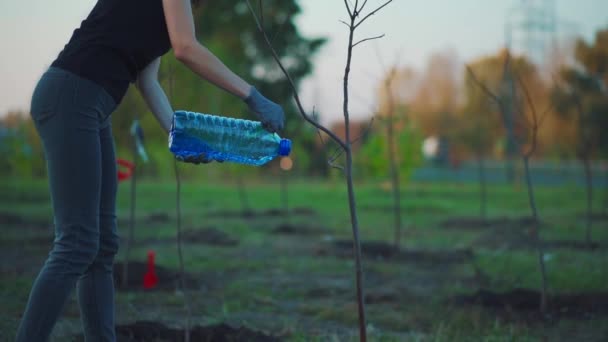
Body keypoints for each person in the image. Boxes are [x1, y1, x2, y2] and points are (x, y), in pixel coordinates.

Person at [16, 0, 284, 340]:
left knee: (101, 245)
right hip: (72, 97)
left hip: (87, 104)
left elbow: (147, 80)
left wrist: (177, 135)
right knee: (77, 243)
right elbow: (186, 48)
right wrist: (251, 94)